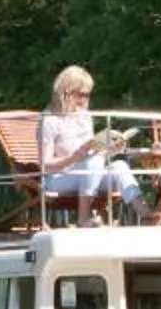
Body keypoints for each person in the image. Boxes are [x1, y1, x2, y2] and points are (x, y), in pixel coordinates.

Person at [36, 66, 142, 222]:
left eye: (88, 95)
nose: (85, 100)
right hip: (59, 178)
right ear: (66, 92)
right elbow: (45, 166)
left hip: (88, 174)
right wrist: (73, 157)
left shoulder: (84, 117)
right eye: (82, 95)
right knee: (92, 163)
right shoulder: (50, 120)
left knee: (119, 166)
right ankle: (83, 218)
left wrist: (111, 149)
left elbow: (95, 153)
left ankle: (145, 213)